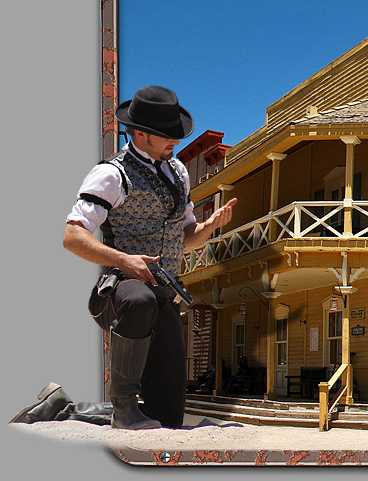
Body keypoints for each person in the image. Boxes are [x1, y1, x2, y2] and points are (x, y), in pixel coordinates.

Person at [63, 86, 237, 429]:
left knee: (168, 417)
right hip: (120, 294)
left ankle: (65, 407)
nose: (174, 141)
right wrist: (124, 261)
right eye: (165, 135)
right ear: (140, 133)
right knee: (139, 298)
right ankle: (124, 406)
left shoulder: (178, 173)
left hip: (164, 297)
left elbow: (187, 237)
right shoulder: (111, 173)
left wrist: (209, 227)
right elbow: (72, 236)